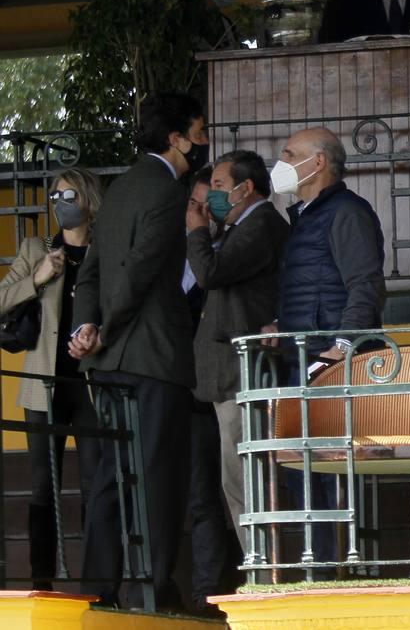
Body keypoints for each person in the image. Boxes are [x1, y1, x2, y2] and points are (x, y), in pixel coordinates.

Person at [69, 92, 207, 610]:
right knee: (157, 477)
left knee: (108, 477)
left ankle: (99, 593)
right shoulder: (167, 193)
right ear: (175, 138)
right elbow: (143, 271)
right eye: (198, 131)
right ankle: (152, 591)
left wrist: (88, 327)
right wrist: (103, 327)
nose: (204, 140)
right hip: (154, 358)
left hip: (107, 367)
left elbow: (93, 273)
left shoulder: (120, 189)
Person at [271, 127, 385, 567]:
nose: (280, 163)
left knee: (332, 474)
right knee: (303, 474)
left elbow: (365, 285)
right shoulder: (306, 216)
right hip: (304, 357)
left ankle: (336, 568)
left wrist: (342, 346)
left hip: (330, 363)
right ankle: (316, 569)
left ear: (317, 162)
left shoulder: (346, 212)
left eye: (289, 153)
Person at [0, 168, 102, 590]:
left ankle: (100, 583)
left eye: (69, 194)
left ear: (89, 200)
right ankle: (41, 582)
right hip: (42, 384)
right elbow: (2, 298)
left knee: (99, 486)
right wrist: (37, 278)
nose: (60, 203)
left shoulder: (106, 249)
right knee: (44, 488)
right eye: (55, 196)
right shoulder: (35, 248)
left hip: (94, 385)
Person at [186, 151, 289, 558]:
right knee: (236, 480)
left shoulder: (260, 224)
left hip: (243, 373)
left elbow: (211, 272)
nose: (209, 199)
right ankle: (259, 566)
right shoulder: (241, 227)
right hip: (229, 373)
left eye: (217, 187)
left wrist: (196, 231)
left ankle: (263, 570)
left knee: (246, 480)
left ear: (244, 189)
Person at [178, 170, 237, 615]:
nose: (202, 211)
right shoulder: (167, 254)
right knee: (198, 492)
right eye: (195, 203)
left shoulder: (228, 251)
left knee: (225, 488)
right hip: (179, 385)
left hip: (219, 382)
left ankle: (218, 588)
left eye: (210, 201)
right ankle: (205, 589)